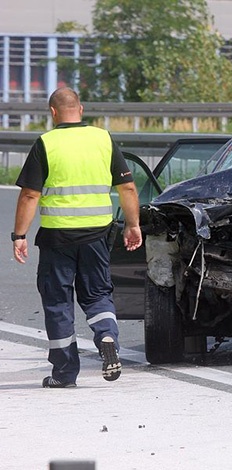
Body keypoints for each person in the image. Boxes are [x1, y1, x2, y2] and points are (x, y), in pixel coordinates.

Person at [12, 87, 142, 388]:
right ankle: (107, 335)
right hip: (97, 235)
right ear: (80, 109)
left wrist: (19, 235)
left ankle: (64, 373)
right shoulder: (103, 138)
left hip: (58, 238)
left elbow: (30, 194)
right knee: (97, 294)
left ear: (53, 112)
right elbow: (128, 188)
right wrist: (132, 224)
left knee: (58, 302)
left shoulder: (46, 143)